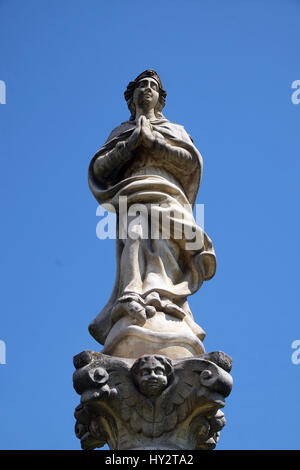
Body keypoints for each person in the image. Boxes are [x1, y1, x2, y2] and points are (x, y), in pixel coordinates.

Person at [88, 70, 216, 345]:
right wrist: (130, 144)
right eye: (142, 85)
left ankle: (166, 300)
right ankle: (131, 295)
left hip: (167, 191)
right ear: (131, 97)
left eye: (153, 86)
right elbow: (100, 167)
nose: (147, 89)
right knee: (135, 234)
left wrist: (154, 142)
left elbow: (189, 163)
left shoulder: (175, 129)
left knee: (165, 245)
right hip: (133, 191)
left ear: (160, 98)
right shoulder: (121, 132)